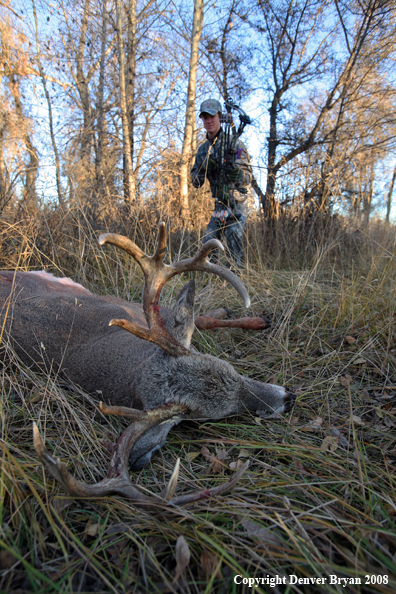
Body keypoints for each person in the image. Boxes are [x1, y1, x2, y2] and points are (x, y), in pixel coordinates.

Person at [191, 98, 254, 268]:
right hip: (220, 204)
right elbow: (196, 181)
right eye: (205, 117)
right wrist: (204, 167)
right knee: (209, 241)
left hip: (238, 202)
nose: (209, 121)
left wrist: (236, 174)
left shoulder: (236, 144)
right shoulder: (203, 150)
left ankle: (236, 278)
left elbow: (248, 176)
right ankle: (213, 280)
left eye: (212, 116)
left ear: (220, 117)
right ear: (202, 120)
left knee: (233, 233)